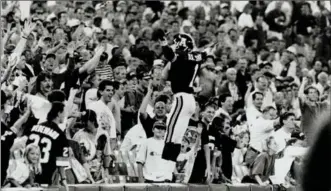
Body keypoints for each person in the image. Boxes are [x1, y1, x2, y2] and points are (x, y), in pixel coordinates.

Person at [157, 30, 207, 164]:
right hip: (191, 100)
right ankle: (172, 164)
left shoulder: (180, 55)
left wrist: (163, 43)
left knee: (171, 129)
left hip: (181, 98)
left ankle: (164, 163)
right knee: (178, 135)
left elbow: (169, 55)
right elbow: (203, 54)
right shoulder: (197, 56)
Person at [25, 102, 70, 186]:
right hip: (45, 172)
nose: (65, 115)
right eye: (64, 112)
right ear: (59, 113)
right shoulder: (60, 134)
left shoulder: (35, 127)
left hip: (27, 171)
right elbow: (61, 162)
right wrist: (63, 178)